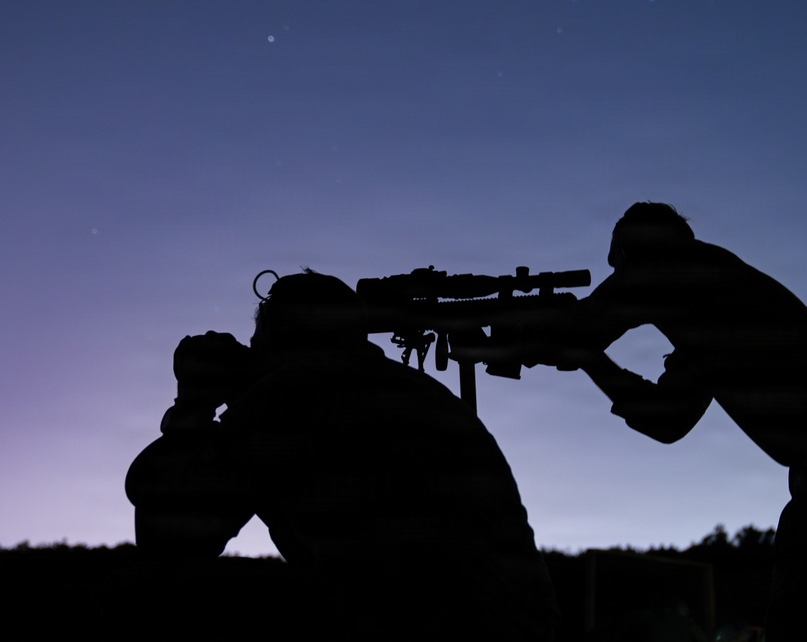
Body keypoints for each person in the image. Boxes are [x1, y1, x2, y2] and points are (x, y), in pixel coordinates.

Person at [524, 202, 807, 642]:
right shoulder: (715, 303)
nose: (610, 271)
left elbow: (583, 328)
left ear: (635, 248)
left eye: (615, 259)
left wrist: (549, 333)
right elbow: (667, 419)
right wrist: (587, 358)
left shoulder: (671, 268)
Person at [126, 269, 558, 640]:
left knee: (147, 598)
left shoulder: (287, 398)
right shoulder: (415, 391)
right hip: (517, 627)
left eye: (256, 338)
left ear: (275, 338)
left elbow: (167, 538)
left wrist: (193, 402)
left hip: (428, 629)